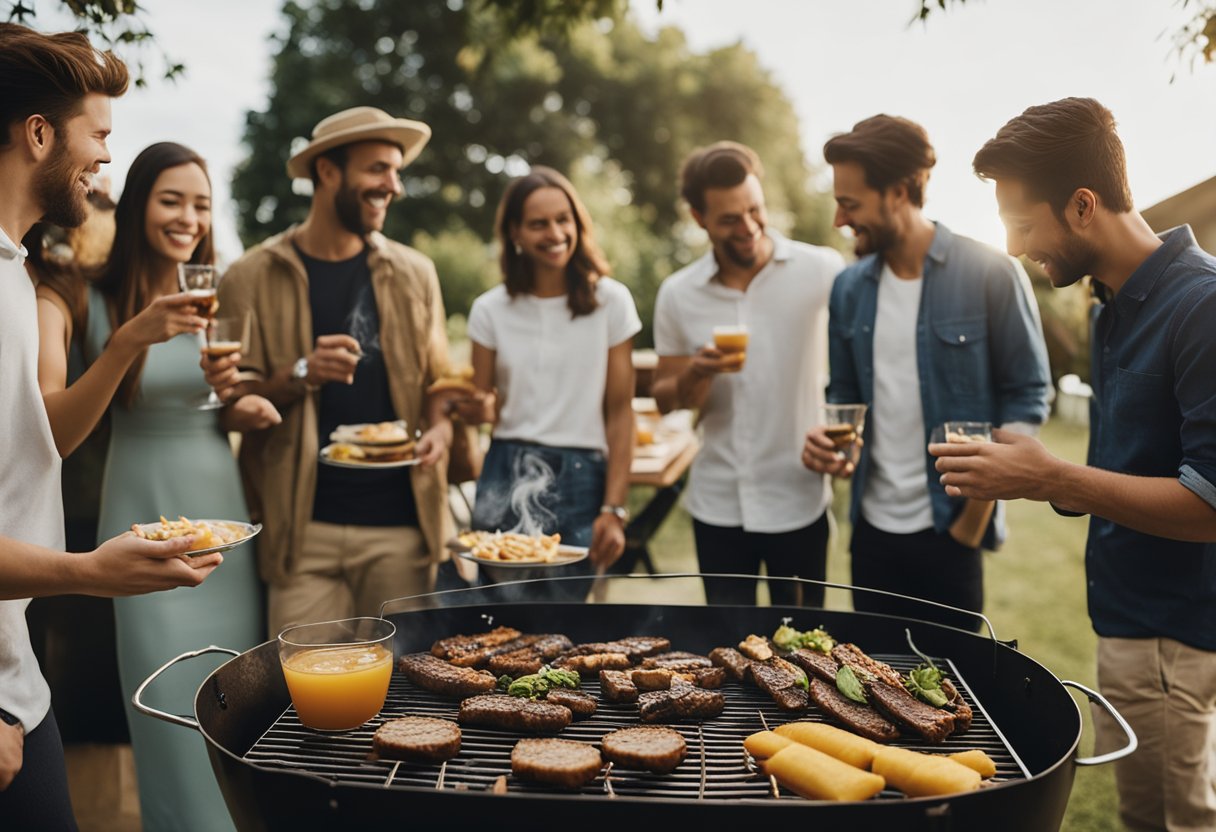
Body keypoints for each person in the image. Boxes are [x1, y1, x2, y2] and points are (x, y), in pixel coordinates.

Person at [933, 97, 1216, 831]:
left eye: (1024, 225)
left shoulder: (1202, 308)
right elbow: (1130, 464)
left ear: (1083, 205)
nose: (1018, 246)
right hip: (1125, 620)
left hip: (1173, 633)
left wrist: (1048, 478)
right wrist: (1040, 468)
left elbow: (1208, 505)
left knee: (1172, 823)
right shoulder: (1108, 303)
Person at [0, 23, 221, 828]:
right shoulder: (34, 292)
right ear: (38, 134)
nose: (104, 158)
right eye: (99, 136)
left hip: (18, 673)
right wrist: (92, 571)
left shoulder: (15, 278)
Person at [36, 141, 276, 832]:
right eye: (172, 200)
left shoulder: (214, 293)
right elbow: (58, 420)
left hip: (223, 507)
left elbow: (214, 398)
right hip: (141, 501)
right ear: (138, 201)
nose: (188, 217)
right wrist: (129, 339)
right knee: (168, 703)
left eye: (201, 204)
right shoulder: (85, 293)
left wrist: (242, 401)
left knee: (235, 703)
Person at [204, 107, 456, 635]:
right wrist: (302, 372)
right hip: (301, 533)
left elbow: (440, 385)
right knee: (305, 694)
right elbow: (230, 402)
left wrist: (441, 425)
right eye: (378, 169)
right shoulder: (251, 274)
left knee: (402, 696)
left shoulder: (415, 273)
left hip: (402, 530)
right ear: (327, 172)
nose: (394, 185)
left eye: (395, 170)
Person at [801, 115, 1051, 631]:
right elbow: (844, 394)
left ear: (897, 193)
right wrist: (835, 447)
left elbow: (1027, 393)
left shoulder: (989, 272)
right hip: (870, 535)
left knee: (953, 693)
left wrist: (974, 518)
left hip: (952, 531)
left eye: (850, 204)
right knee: (869, 692)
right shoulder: (848, 289)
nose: (839, 220)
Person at [651, 141, 845, 607]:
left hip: (798, 497)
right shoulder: (678, 294)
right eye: (730, 219)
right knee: (726, 648)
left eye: (755, 210)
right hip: (718, 502)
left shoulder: (821, 270)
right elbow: (664, 396)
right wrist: (697, 372)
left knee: (802, 650)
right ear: (699, 218)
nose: (750, 227)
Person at [452, 166, 638, 597]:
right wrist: (469, 409)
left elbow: (619, 412)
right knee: (496, 613)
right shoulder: (490, 309)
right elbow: (479, 403)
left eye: (562, 219)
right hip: (504, 467)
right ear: (515, 233)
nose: (554, 232)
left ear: (578, 224)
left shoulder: (611, 302)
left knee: (565, 618)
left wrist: (614, 509)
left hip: (581, 474)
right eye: (539, 223)